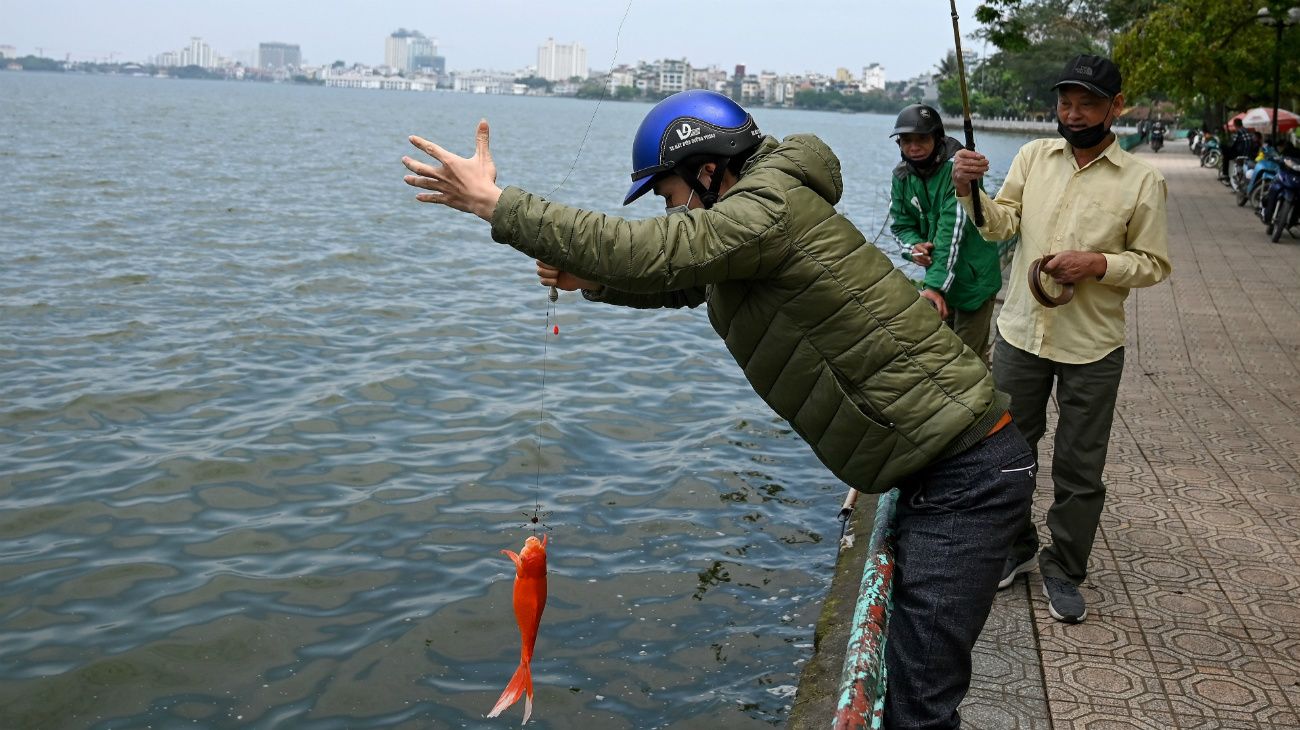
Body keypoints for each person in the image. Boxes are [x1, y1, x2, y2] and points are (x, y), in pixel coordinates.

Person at [402, 89, 1035, 729]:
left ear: (708, 169)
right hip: (940, 468)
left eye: (669, 196)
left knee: (919, 709)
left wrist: (494, 202)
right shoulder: (755, 219)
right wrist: (591, 282)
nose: (670, 211)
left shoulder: (769, 205)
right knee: (913, 697)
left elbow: (655, 250)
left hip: (967, 474)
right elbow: (688, 280)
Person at [951, 55, 1172, 624]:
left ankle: (1065, 567)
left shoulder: (1143, 180)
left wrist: (1099, 263)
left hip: (1093, 345)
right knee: (1007, 453)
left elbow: (1153, 264)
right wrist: (968, 190)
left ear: (1115, 108)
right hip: (1022, 332)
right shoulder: (1032, 157)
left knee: (1079, 465)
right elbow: (999, 224)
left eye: (1088, 104)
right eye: (1066, 103)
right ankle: (1016, 547)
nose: (1073, 115)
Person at [888, 103, 1002, 362]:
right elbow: (900, 225)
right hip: (940, 278)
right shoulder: (902, 176)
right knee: (942, 357)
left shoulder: (961, 170)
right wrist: (914, 248)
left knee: (968, 362)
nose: (913, 147)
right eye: (906, 140)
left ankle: (989, 401)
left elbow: (952, 230)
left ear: (937, 138)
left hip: (974, 280)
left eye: (921, 139)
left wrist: (934, 286)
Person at [1222, 117, 1257, 182]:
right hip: (1249, 154)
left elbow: (1232, 144)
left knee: (1225, 152)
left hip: (1240, 154)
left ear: (1235, 125)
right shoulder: (1248, 131)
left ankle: (1225, 174)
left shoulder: (1238, 132)